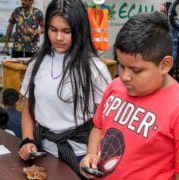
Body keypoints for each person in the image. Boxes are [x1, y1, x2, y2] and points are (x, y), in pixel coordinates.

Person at [79, 12, 179, 179]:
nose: (124, 76)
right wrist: (91, 155)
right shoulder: (115, 86)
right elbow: (99, 126)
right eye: (122, 66)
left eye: (136, 70)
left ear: (164, 65)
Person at [18, 0, 111, 176]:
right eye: (53, 30)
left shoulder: (94, 68)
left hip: (80, 155)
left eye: (66, 31)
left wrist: (92, 154)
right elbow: (28, 109)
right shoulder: (37, 63)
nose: (58, 38)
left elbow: (105, 121)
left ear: (79, 31)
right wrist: (27, 140)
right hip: (43, 153)